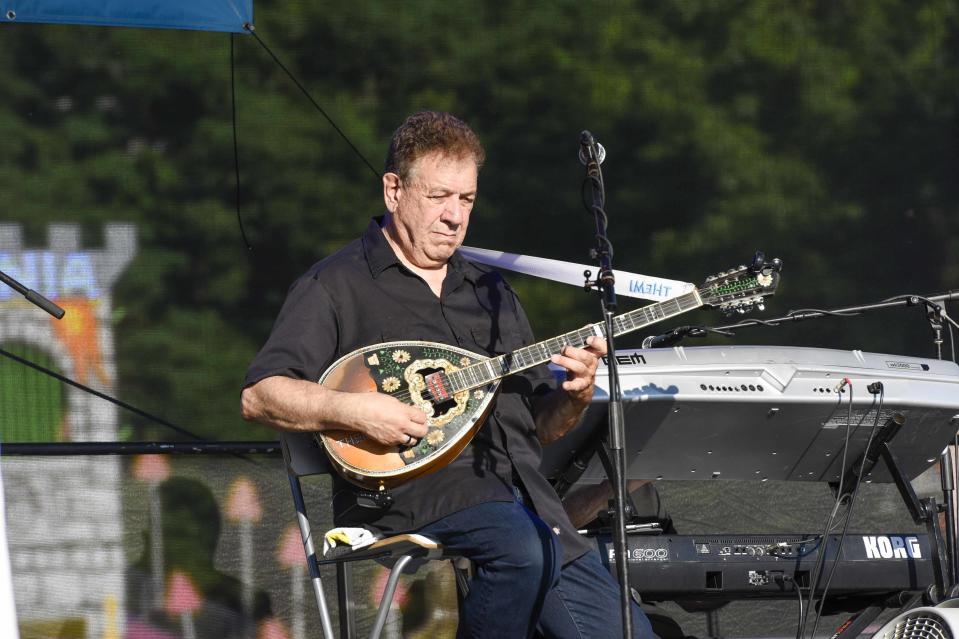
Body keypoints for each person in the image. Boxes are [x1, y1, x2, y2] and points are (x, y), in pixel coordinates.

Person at [241, 111, 656, 639]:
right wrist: (354, 409)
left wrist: (575, 395)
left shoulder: (489, 292)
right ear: (394, 190)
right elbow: (261, 395)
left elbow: (539, 428)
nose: (455, 217)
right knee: (521, 550)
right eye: (439, 197)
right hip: (410, 495)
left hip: (528, 504)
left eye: (466, 200)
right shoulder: (336, 286)